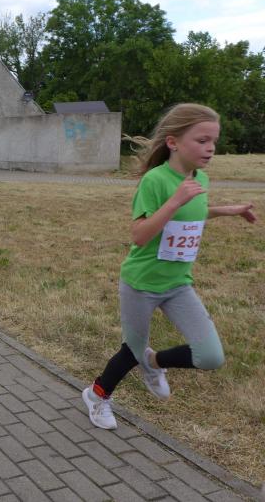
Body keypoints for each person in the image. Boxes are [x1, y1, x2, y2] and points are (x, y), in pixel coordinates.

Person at [82, 103, 257, 430]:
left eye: (214, 141)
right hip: (141, 283)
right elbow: (140, 234)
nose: (211, 148)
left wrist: (226, 210)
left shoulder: (199, 178)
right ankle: (97, 396)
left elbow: (192, 214)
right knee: (131, 350)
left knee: (211, 356)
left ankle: (153, 361)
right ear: (173, 142)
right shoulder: (156, 180)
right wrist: (175, 200)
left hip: (178, 284)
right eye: (202, 140)